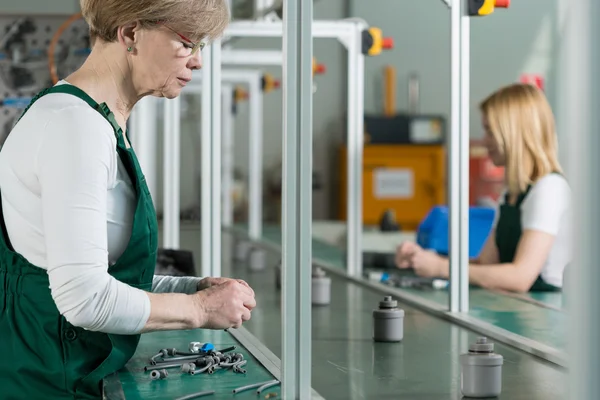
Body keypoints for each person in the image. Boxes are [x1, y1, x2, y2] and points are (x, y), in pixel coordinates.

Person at [0, 1, 256, 398]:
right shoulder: (76, 128)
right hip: (48, 380)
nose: (198, 62)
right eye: (189, 43)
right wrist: (201, 310)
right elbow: (84, 298)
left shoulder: (94, 120)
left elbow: (96, 271)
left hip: (68, 368)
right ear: (131, 34)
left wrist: (191, 289)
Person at [395, 83, 571, 293]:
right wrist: (426, 259)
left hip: (546, 316)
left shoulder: (549, 189)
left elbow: (520, 277)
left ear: (514, 133)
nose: (485, 140)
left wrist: (441, 268)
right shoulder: (511, 193)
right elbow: (486, 265)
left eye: (490, 130)